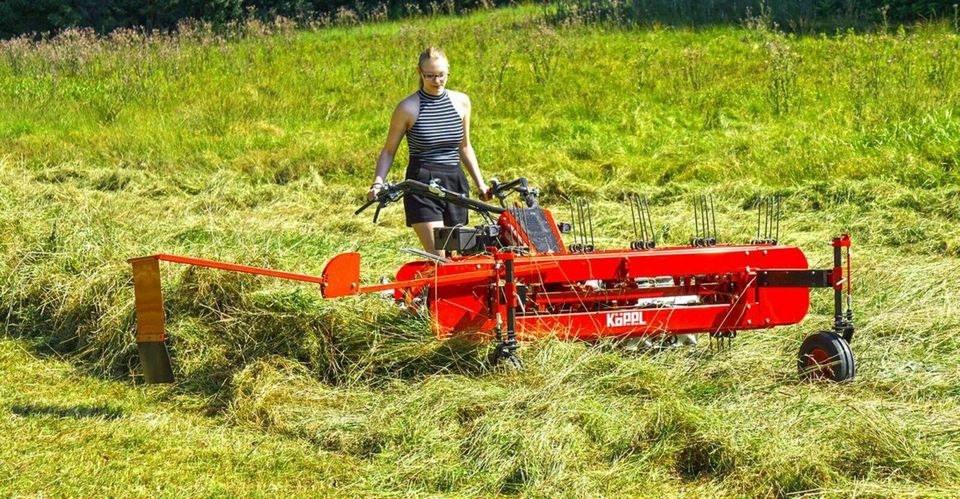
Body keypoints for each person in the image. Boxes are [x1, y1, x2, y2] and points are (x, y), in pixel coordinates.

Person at [368, 47, 490, 255]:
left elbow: (464, 146)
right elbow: (389, 151)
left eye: (441, 75)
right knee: (439, 257)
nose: (437, 81)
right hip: (422, 183)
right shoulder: (407, 108)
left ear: (448, 71)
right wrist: (378, 183)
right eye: (430, 75)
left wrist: (481, 184)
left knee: (461, 257)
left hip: (455, 181)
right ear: (419, 72)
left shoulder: (462, 102)